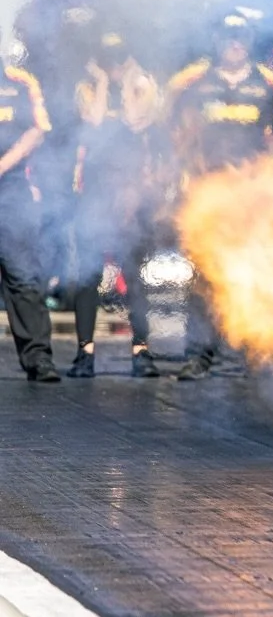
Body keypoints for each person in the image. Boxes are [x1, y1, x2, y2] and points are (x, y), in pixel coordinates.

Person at [167, 12, 273, 380]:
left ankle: (249, 355)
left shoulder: (269, 85)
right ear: (217, 38)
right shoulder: (190, 82)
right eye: (227, 34)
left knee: (252, 269)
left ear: (250, 38)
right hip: (206, 194)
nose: (234, 42)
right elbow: (172, 134)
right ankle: (198, 355)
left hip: (252, 195)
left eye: (241, 35)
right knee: (205, 275)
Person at [67, 32, 163, 378]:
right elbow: (93, 123)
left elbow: (136, 119)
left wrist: (128, 81)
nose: (115, 63)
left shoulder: (143, 85)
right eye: (109, 58)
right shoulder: (88, 88)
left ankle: (141, 352)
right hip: (94, 194)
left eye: (121, 57)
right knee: (88, 274)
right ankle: (84, 353)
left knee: (134, 275)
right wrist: (104, 81)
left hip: (132, 194)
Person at [0, 42, 61, 382]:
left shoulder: (20, 83)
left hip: (11, 193)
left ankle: (38, 358)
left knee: (23, 276)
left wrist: (3, 165)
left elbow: (38, 129)